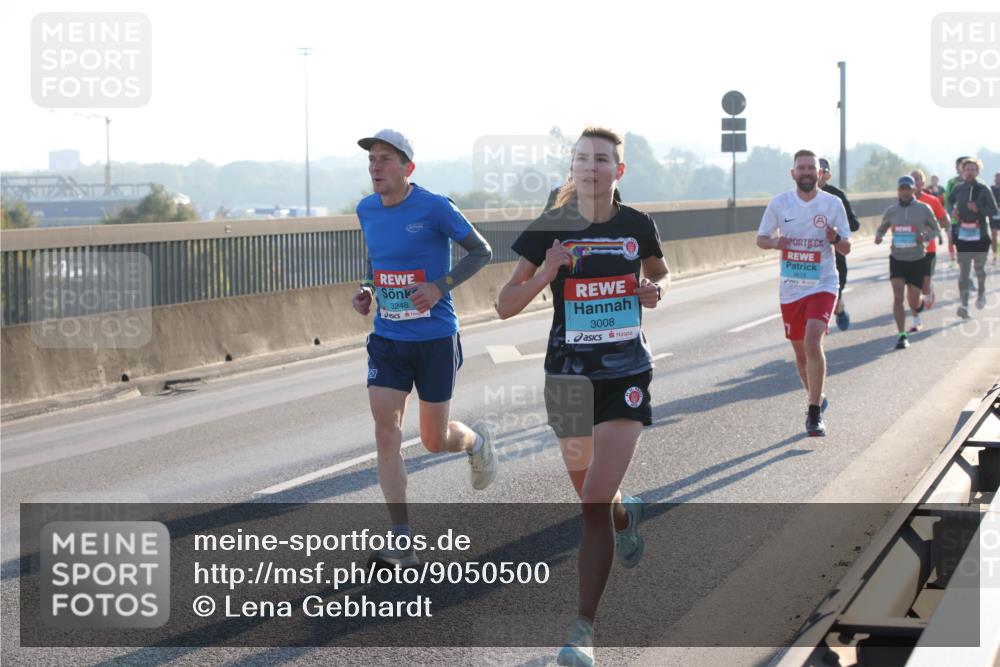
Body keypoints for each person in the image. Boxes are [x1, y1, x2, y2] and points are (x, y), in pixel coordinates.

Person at [497, 127, 669, 667]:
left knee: (594, 498)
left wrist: (654, 289)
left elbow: (660, 274)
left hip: (625, 374)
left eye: (600, 159)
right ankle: (627, 517)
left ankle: (582, 631)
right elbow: (504, 305)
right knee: (594, 500)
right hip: (567, 378)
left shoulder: (637, 226)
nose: (589, 167)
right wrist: (547, 269)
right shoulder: (553, 226)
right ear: (571, 168)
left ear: (618, 170)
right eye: (581, 159)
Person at [352, 129, 498, 567]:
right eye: (372, 160)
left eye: (385, 159)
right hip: (388, 340)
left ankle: (474, 442)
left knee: (435, 440)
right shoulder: (366, 209)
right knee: (386, 431)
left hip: (434, 338)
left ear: (407, 168)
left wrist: (439, 287)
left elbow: (481, 251)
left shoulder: (435, 207)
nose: (376, 167)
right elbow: (377, 259)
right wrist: (367, 288)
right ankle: (401, 538)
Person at [756, 150, 851, 437]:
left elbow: (846, 248)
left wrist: (834, 238)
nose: (807, 172)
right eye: (802, 168)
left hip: (822, 283)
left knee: (813, 342)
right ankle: (817, 398)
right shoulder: (780, 203)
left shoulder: (832, 204)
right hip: (791, 288)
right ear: (793, 173)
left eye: (812, 167)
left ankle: (813, 415)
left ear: (819, 173)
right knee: (800, 353)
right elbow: (760, 239)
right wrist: (776, 243)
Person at [874, 176, 941, 349]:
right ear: (898, 190)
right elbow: (882, 227)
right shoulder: (891, 210)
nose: (904, 192)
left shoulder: (923, 208)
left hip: (917, 259)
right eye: (901, 188)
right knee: (897, 297)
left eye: (907, 188)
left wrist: (924, 237)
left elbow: (936, 228)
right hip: (897, 259)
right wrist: (879, 236)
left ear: (913, 190)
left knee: (914, 302)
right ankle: (902, 335)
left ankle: (918, 306)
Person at [947, 157, 999, 317]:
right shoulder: (958, 188)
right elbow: (949, 201)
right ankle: (964, 305)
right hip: (962, 234)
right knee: (963, 272)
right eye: (967, 169)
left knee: (979, 269)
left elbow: (994, 210)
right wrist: (952, 211)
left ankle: (982, 292)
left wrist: (979, 209)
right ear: (962, 171)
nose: (969, 172)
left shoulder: (983, 189)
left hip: (980, 235)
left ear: (977, 172)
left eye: (972, 169)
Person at [818, 157, 861, 330]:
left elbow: (853, 224)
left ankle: (840, 310)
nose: (819, 175)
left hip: (834, 254)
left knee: (833, 302)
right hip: (809, 257)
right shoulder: (799, 197)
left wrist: (835, 231)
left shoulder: (836, 196)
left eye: (823, 171)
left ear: (828, 175)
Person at [911, 169, 950, 322]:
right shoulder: (903, 201)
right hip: (909, 250)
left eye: (918, 179)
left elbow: (944, 221)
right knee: (912, 284)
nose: (914, 182)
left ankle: (928, 290)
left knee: (924, 287)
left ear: (923, 183)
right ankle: (916, 316)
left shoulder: (932, 201)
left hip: (929, 249)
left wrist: (931, 229)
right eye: (912, 179)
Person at [944, 156, 971, 267]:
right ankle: (952, 259)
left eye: (958, 165)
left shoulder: (978, 182)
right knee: (952, 240)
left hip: (972, 220)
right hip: (955, 219)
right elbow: (948, 200)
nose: (956, 167)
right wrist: (952, 214)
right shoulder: (952, 182)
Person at [991, 172, 1000, 264]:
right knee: (994, 236)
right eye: (997, 177)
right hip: (993, 215)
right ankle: (994, 256)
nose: (998, 179)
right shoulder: (991, 189)